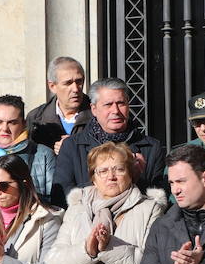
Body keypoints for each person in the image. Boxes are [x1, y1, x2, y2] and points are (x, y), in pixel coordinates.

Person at [51, 78, 166, 207]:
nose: (115, 111)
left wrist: (135, 180)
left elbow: (159, 201)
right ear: (93, 109)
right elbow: (61, 198)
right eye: (108, 104)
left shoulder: (151, 148)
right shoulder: (72, 147)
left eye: (121, 103)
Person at [28, 56, 91, 153]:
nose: (75, 89)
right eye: (68, 83)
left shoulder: (98, 113)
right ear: (52, 86)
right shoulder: (36, 118)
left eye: (79, 81)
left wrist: (78, 147)